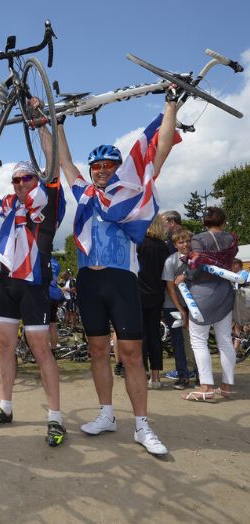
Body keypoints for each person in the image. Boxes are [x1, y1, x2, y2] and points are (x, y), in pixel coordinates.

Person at [56, 87, 180, 455]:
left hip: (122, 277)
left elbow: (160, 151)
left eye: (109, 165)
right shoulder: (84, 193)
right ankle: (107, 414)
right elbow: (65, 164)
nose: (102, 171)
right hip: (89, 280)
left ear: (118, 167)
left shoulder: (131, 190)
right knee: (96, 349)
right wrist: (56, 122)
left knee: (129, 351)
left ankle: (142, 425)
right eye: (97, 167)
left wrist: (170, 104)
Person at [0, 154, 68, 447]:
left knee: (41, 350)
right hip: (7, 282)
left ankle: (55, 417)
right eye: (16, 180)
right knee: (5, 347)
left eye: (27, 178)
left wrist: (43, 124)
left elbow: (54, 161)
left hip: (34, 283)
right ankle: (6, 407)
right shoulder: (10, 204)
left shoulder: (49, 202)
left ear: (37, 181)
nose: (21, 184)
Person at [175, 207, 238, 401]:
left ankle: (206, 387)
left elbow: (196, 264)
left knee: (198, 341)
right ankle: (226, 386)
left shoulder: (199, 239)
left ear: (204, 222)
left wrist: (183, 276)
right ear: (223, 221)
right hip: (225, 292)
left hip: (202, 294)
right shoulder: (231, 239)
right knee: (225, 341)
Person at [137, 215, 170, 389]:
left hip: (138, 294)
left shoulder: (139, 244)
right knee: (155, 335)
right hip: (157, 294)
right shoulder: (164, 247)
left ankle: (143, 374)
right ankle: (156, 377)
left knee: (141, 335)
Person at [161, 228, 196, 389]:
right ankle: (183, 376)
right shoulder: (170, 261)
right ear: (175, 245)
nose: (185, 244)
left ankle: (200, 374)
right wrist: (181, 309)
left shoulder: (197, 259)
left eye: (188, 241)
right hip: (173, 305)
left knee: (196, 341)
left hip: (195, 305)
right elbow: (170, 287)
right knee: (178, 342)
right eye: (181, 242)